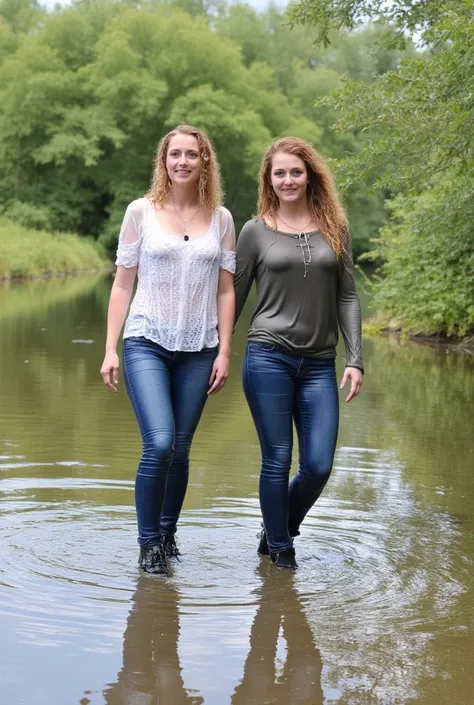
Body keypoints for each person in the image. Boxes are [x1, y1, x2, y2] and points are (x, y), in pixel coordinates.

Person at [100, 125, 236, 575]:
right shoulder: (140, 211)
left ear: (204, 161)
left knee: (180, 448)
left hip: (200, 347)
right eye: (174, 154)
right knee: (158, 443)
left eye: (191, 154)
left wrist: (224, 351)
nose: (183, 161)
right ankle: (148, 545)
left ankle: (168, 533)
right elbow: (123, 284)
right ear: (164, 161)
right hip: (146, 341)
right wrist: (110, 348)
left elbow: (225, 291)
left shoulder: (221, 219)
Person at [234, 137, 363, 570]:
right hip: (268, 355)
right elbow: (231, 298)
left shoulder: (335, 228)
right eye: (279, 173)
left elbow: (347, 297)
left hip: (320, 364)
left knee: (319, 465)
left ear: (310, 175)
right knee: (277, 458)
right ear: (268, 180)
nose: (288, 180)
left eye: (295, 171)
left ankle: (277, 530)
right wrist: (215, 353)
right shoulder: (255, 231)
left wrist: (355, 357)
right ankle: (282, 555)